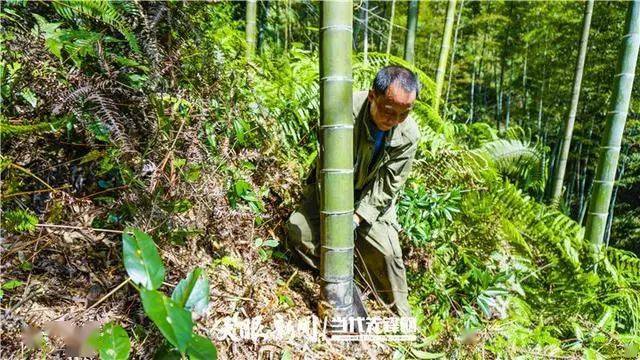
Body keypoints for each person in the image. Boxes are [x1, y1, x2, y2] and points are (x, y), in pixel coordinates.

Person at [285, 66, 420, 317]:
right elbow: (326, 165)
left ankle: (401, 319)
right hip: (329, 193)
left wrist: (357, 218)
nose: (394, 120)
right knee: (297, 229)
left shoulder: (408, 134)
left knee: (389, 256)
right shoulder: (342, 113)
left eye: (404, 114)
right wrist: (338, 215)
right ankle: (344, 276)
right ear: (372, 96)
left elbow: (387, 185)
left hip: (371, 203)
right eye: (389, 111)